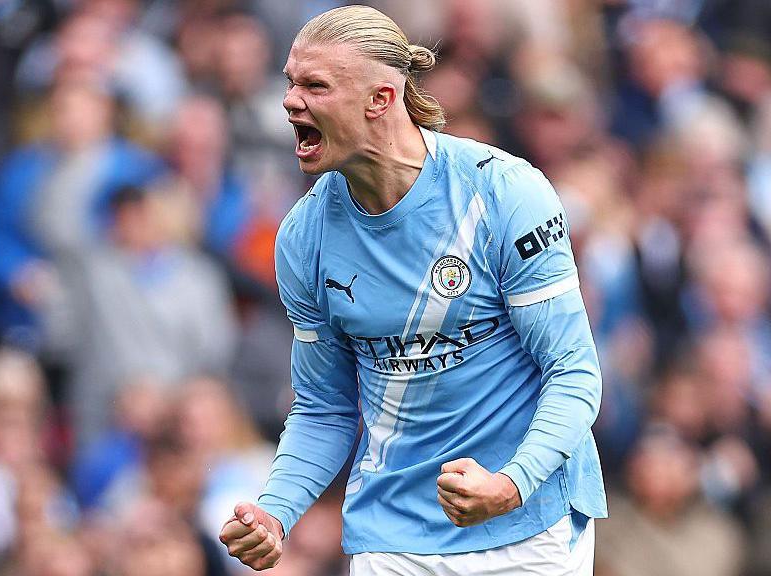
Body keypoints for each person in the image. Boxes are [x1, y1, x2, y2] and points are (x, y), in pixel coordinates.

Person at [219, 5, 607, 574]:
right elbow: (325, 406)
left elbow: (573, 372)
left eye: (315, 85)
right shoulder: (303, 238)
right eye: (290, 83)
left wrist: (511, 482)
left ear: (381, 98)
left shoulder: (502, 194)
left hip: (529, 523)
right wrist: (275, 512)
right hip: (392, 535)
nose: (290, 101)